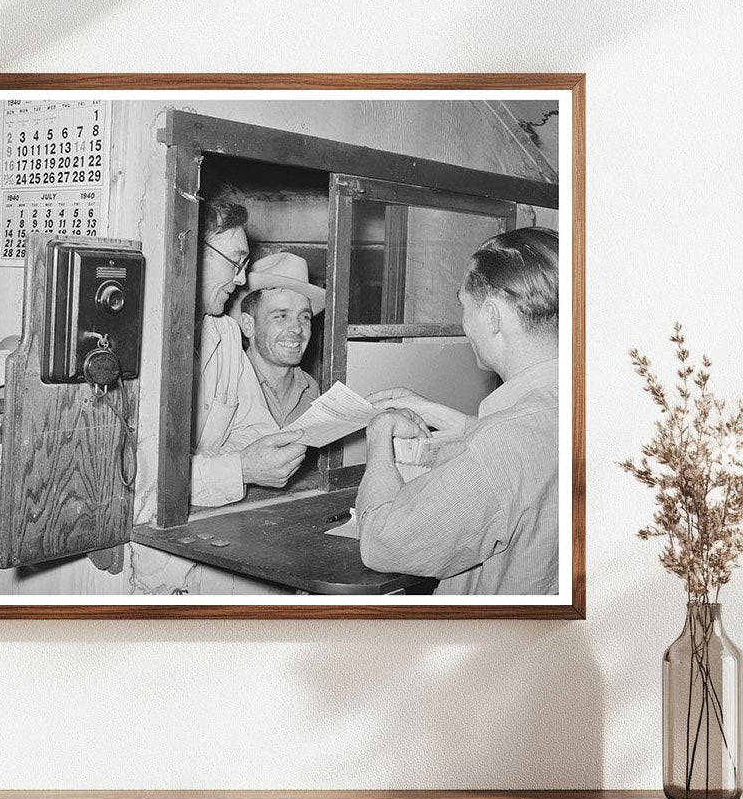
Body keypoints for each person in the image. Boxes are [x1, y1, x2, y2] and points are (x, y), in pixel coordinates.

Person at [356, 226, 560, 595]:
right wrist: (443, 416)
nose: (466, 327)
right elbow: (533, 441)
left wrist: (379, 435)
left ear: (493, 317)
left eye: (465, 309)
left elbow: (381, 541)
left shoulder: (502, 445)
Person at [191, 189, 307, 507]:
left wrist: (243, 462)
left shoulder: (226, 334)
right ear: (190, 253)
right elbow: (150, 477)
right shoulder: (148, 340)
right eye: (235, 263)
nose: (241, 279)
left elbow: (254, 426)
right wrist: (239, 467)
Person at [233, 253, 326, 428]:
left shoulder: (311, 392)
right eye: (281, 316)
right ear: (248, 325)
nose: (297, 328)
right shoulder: (226, 388)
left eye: (305, 317)